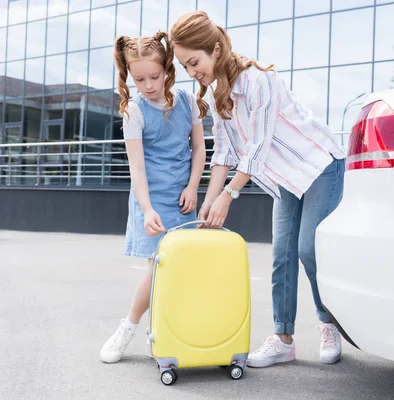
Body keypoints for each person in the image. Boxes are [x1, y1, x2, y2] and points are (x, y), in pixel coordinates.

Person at [169, 11, 346, 367]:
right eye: (185, 67)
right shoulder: (218, 94)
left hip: (319, 165)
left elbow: (258, 147)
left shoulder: (258, 79)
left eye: (194, 63)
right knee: (282, 255)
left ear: (215, 49)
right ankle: (283, 340)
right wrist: (209, 201)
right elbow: (223, 152)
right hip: (285, 180)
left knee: (308, 249)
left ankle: (330, 323)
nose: (191, 73)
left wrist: (228, 196)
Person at [100, 31, 205, 363]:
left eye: (154, 77)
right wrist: (146, 210)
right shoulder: (134, 111)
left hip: (182, 197)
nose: (147, 85)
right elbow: (138, 170)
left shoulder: (188, 101)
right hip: (152, 200)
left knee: (181, 270)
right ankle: (128, 328)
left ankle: (163, 332)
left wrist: (192, 187)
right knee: (158, 268)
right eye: (139, 78)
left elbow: (200, 148)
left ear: (167, 69)